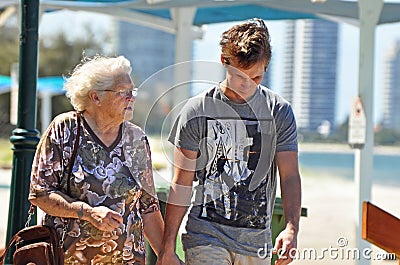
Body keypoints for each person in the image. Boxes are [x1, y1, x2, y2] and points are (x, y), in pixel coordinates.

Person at [157, 18, 301, 265]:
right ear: (224, 62)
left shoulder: (278, 111)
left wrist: (291, 229)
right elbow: (181, 182)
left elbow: (289, 176)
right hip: (205, 236)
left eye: (256, 78)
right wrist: (167, 247)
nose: (247, 85)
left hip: (257, 242)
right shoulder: (196, 110)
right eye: (240, 76)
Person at [29, 55, 164, 265]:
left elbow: (147, 207)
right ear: (96, 97)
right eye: (122, 92)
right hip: (69, 258)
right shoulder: (65, 129)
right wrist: (88, 213)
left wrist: (166, 255)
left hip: (126, 259)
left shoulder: (136, 139)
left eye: (132, 91)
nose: (131, 98)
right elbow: (40, 193)